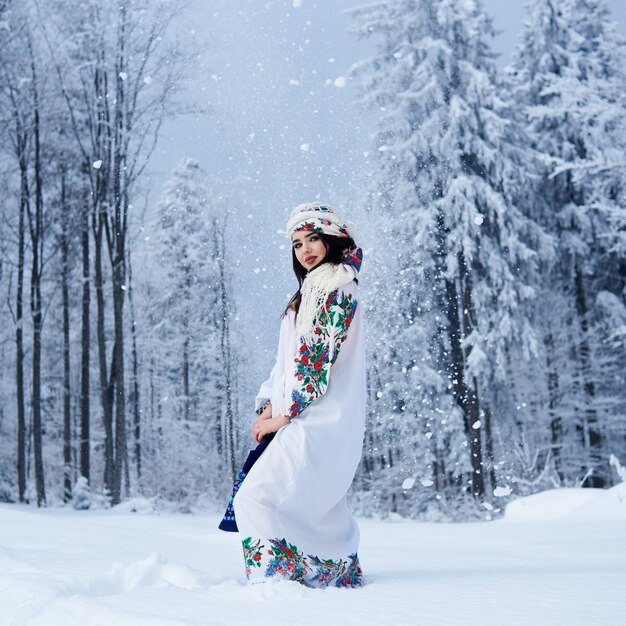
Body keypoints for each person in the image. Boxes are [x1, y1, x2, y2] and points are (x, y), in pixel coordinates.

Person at [220, 202, 366, 588]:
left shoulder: (337, 288)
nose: (305, 250)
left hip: (319, 417)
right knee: (308, 503)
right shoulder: (308, 293)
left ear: (334, 239)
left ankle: (275, 582)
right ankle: (326, 574)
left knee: (258, 496)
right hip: (301, 414)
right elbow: (286, 360)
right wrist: (269, 403)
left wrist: (282, 416)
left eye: (314, 238)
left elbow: (315, 362)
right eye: (298, 243)